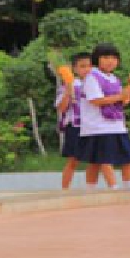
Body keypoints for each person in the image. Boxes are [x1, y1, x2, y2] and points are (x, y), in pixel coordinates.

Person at [78, 44, 130, 201]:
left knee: (129, 158)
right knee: (96, 161)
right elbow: (96, 100)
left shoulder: (115, 79)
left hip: (117, 125)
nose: (110, 61)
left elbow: (116, 103)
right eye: (105, 57)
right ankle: (90, 190)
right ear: (97, 59)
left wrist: (127, 98)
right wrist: (120, 96)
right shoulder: (92, 77)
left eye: (113, 58)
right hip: (98, 127)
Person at [55, 52, 92, 191]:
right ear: (74, 68)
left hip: (94, 126)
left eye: (89, 66)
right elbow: (61, 107)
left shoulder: (98, 83)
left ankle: (92, 188)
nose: (87, 69)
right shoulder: (69, 85)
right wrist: (68, 91)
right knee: (73, 160)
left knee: (97, 160)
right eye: (82, 66)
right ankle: (65, 189)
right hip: (76, 126)